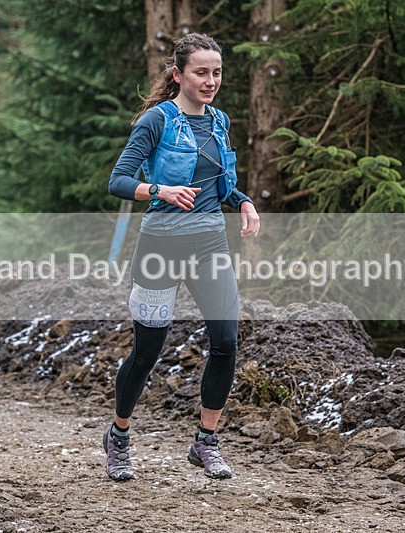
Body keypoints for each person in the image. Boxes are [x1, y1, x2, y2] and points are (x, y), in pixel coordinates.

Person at [106, 33, 260, 481]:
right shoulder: (156, 121)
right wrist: (160, 190)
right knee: (147, 352)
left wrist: (243, 201)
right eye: (201, 72)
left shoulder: (219, 121)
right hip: (161, 246)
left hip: (210, 245)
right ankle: (118, 436)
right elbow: (118, 180)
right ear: (178, 74)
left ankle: (205, 442)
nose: (210, 81)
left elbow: (222, 185)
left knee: (226, 342)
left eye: (216, 73)